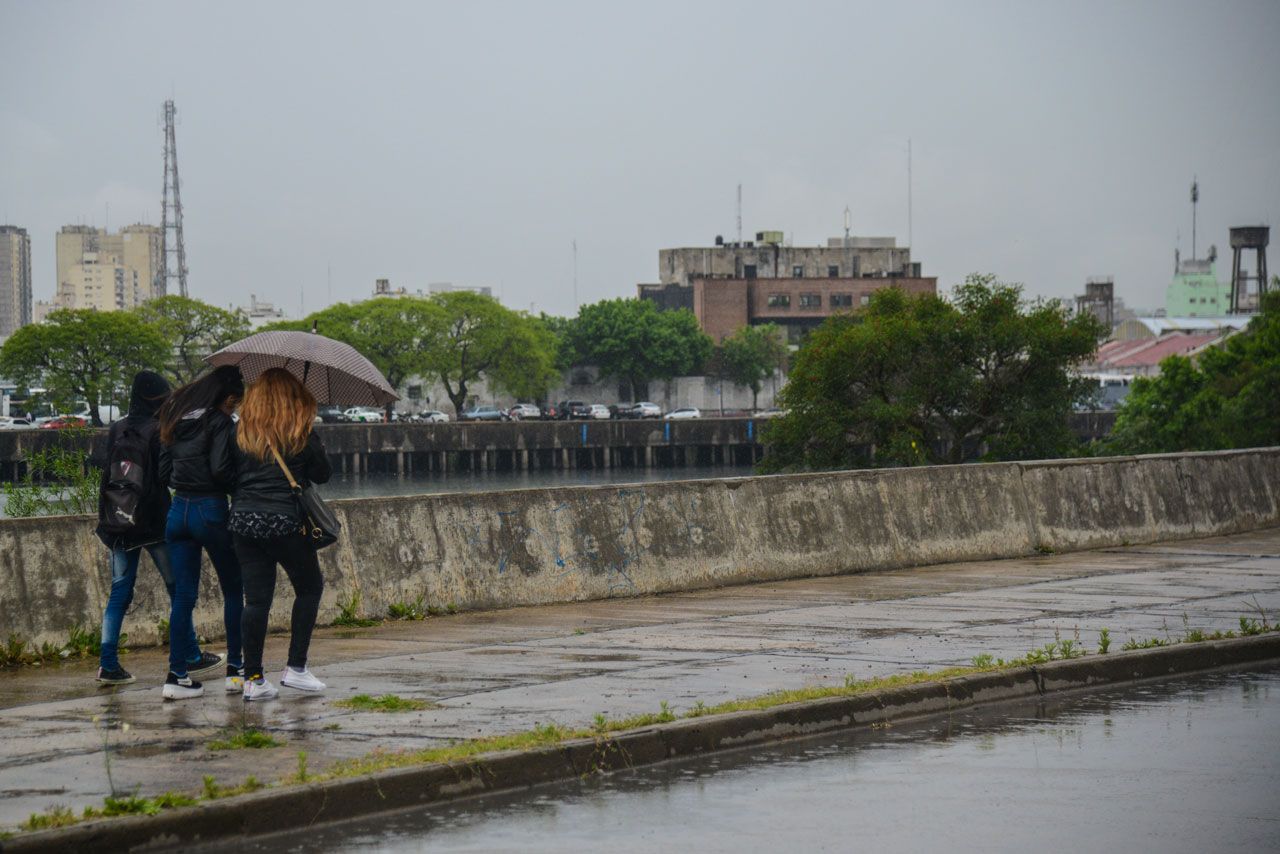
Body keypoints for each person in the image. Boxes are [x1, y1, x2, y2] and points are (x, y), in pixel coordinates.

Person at [229, 368, 332, 701]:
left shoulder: (241, 433)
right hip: (283, 521)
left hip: (244, 521)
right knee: (310, 587)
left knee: (256, 601)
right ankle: (296, 668)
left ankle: (253, 678)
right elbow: (323, 474)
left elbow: (225, 473)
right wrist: (312, 437)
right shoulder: (300, 432)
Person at [93, 370, 200, 686]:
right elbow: (165, 476)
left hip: (118, 520)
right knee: (177, 588)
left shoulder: (117, 428)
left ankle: (108, 664)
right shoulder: (159, 429)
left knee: (120, 591)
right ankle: (190, 654)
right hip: (153, 523)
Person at [156, 365, 245, 700]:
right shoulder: (220, 422)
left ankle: (176, 676)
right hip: (210, 509)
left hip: (179, 511)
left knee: (183, 597)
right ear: (228, 397)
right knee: (234, 589)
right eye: (235, 403)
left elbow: (164, 471)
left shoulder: (175, 419)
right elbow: (222, 470)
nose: (234, 409)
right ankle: (235, 670)